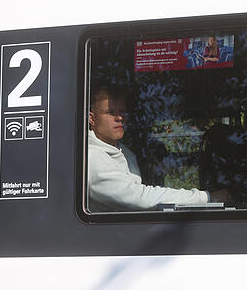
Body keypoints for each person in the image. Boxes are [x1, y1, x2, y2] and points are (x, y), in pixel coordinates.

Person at [87, 86, 229, 212]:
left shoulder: (125, 152)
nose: (119, 117)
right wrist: (207, 197)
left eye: (122, 111)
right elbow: (138, 198)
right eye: (110, 112)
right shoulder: (91, 157)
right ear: (92, 119)